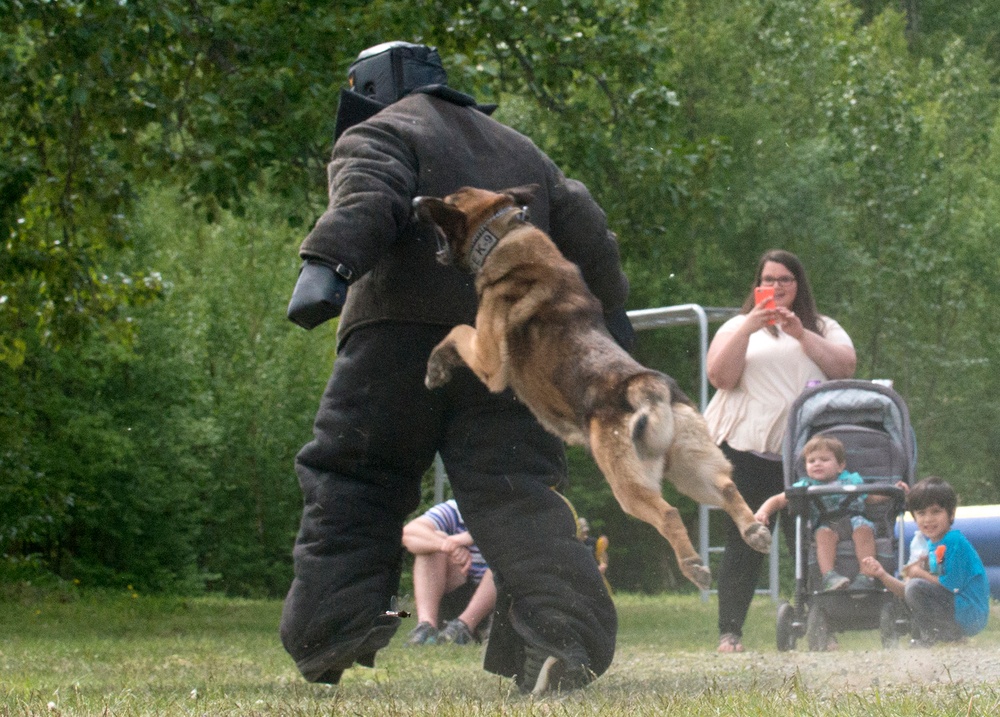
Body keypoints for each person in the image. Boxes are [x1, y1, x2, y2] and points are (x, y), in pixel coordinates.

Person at [280, 41, 631, 694]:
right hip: (511, 341)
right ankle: (562, 632)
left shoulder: (383, 129)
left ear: (369, 91)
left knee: (357, 475)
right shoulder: (523, 150)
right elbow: (588, 230)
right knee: (516, 486)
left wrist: (325, 266)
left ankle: (332, 628)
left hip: (398, 335)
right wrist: (612, 320)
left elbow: (367, 194)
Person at [704, 249, 857, 653]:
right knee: (744, 540)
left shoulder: (822, 326)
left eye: (784, 280)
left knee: (810, 541)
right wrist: (750, 325)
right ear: (758, 285)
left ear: (798, 285)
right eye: (768, 280)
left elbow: (845, 368)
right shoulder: (738, 325)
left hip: (807, 458)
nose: (776, 287)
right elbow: (720, 376)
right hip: (745, 451)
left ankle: (823, 627)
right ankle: (730, 633)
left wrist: (802, 334)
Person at [860, 477, 990, 646]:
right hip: (957, 609)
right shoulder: (934, 546)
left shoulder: (953, 541)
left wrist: (919, 573)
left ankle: (935, 638)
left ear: (951, 514)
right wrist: (882, 575)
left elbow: (949, 585)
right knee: (909, 591)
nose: (928, 519)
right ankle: (926, 638)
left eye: (935, 511)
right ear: (914, 517)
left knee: (916, 586)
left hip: (969, 612)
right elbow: (907, 590)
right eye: (921, 513)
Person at [754, 435, 881, 592]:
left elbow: (871, 497)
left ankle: (866, 576)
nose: (817, 464)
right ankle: (830, 577)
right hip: (828, 524)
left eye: (824, 460)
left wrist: (893, 492)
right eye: (811, 461)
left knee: (864, 531)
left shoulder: (851, 480)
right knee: (822, 535)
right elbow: (779, 500)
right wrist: (764, 511)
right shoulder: (805, 485)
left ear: (840, 466)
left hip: (854, 519)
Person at [402, 499, 496, 646]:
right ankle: (426, 627)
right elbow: (409, 533)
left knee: (505, 562)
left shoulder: (514, 510)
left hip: (497, 603)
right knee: (431, 543)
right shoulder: (456, 509)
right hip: (460, 592)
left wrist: (472, 536)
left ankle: (463, 627)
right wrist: (447, 546)